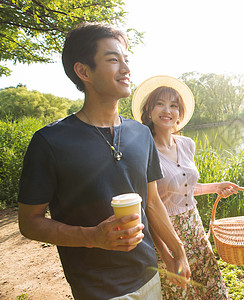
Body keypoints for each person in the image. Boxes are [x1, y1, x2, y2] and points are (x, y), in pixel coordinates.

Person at [17, 23, 190, 299]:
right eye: (113, 60)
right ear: (83, 71)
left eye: (126, 59)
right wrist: (92, 237)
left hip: (148, 277)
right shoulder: (50, 142)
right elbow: (29, 222)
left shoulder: (141, 134)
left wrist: (177, 252)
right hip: (97, 289)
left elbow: (152, 202)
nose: (126, 68)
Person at [131, 75, 239, 299]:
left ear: (180, 114)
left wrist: (217, 187)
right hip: (167, 234)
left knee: (213, 288)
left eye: (173, 105)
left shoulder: (187, 144)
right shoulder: (142, 151)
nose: (166, 110)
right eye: (160, 103)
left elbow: (183, 188)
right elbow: (149, 207)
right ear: (149, 111)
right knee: (180, 293)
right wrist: (168, 256)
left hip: (195, 228)